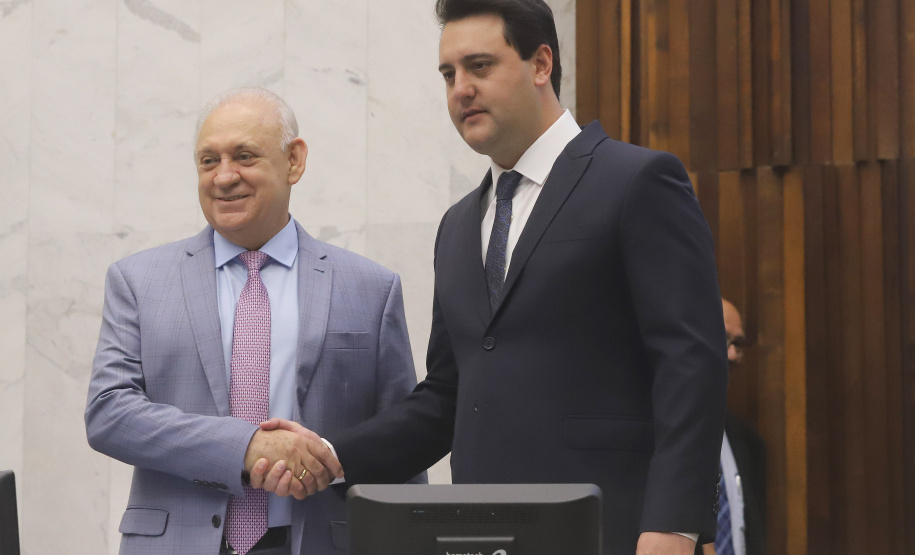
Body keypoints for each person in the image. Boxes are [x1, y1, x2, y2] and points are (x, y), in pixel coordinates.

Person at [258, 1, 728, 553]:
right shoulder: (458, 226)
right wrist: (331, 455)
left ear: (541, 64)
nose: (460, 89)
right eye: (448, 74)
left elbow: (690, 364)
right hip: (480, 534)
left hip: (613, 530)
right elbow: (445, 398)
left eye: (479, 66)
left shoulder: (638, 181)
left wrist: (673, 525)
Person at [85, 87, 423, 555]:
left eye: (244, 156)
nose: (224, 177)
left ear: (294, 161)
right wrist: (245, 447)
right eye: (208, 161)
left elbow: (403, 440)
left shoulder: (371, 288)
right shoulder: (137, 281)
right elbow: (108, 412)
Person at [700, 300, 766, 555]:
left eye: (737, 344)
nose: (731, 355)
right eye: (722, 339)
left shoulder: (748, 442)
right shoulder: (655, 437)